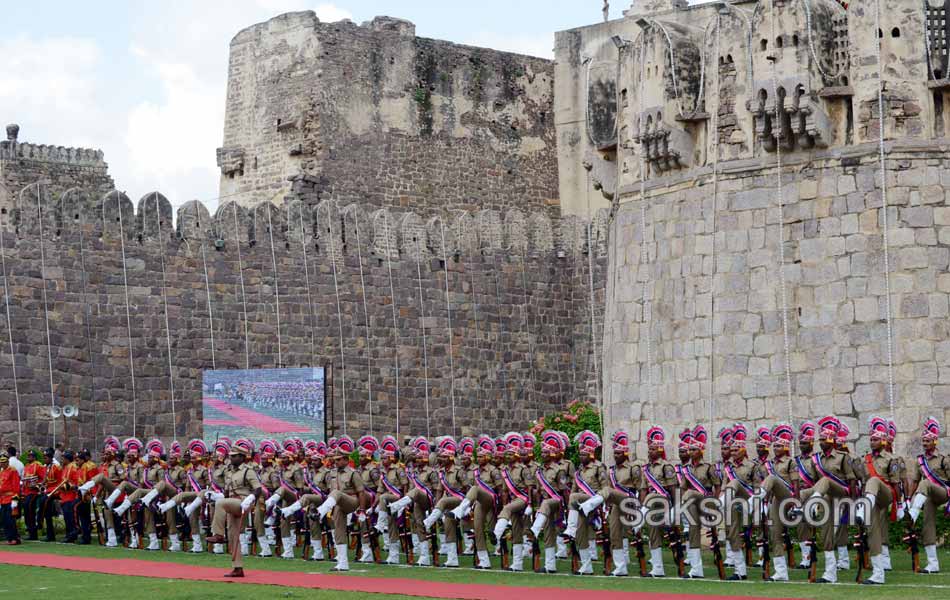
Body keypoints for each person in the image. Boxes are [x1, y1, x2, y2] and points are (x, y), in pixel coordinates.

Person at [807, 416, 857, 584]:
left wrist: (853, 504)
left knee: (827, 481)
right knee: (826, 535)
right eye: (819, 439)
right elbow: (815, 482)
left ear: (831, 439)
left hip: (841, 494)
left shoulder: (843, 457)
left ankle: (812, 502)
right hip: (825, 498)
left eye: (823, 439)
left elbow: (851, 480)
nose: (820, 442)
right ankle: (830, 573)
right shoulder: (816, 459)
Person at [205, 439, 262, 578]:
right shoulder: (229, 472)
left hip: (243, 503)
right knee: (233, 536)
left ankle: (218, 535)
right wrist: (214, 466)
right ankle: (238, 568)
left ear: (242, 457)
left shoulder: (248, 471)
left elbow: (258, 488)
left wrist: (250, 498)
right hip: (232, 504)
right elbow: (220, 484)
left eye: (234, 455)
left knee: (220, 504)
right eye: (230, 455)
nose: (231, 457)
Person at [907, 416, 948, 573]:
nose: (924, 444)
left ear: (935, 442)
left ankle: (912, 515)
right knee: (927, 525)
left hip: (944, 493)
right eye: (923, 441)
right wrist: (908, 500)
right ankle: (933, 564)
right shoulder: (920, 461)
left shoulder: (944, 459)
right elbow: (915, 482)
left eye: (928, 441)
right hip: (929, 496)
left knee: (926, 483)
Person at [21, 449, 45, 541]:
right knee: (27, 512)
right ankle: (30, 531)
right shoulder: (26, 466)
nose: (28, 457)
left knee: (30, 511)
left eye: (30, 456)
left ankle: (33, 533)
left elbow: (43, 478)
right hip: (26, 492)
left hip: (34, 492)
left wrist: (37, 485)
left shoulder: (38, 465)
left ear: (34, 457)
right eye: (28, 456)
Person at [0, 455, 20, 545]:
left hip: (10, 498)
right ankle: (9, 538)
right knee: (4, 520)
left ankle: (15, 538)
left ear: (7, 462)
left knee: (10, 520)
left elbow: (16, 486)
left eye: (4, 462)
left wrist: (15, 500)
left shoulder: (13, 471)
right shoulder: (2, 472)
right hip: (3, 499)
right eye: (1, 462)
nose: (2, 463)